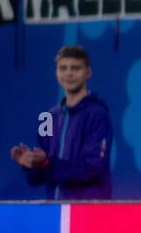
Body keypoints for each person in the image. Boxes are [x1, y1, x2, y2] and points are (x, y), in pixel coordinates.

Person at [10, 46, 113, 201]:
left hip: (89, 211)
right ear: (56, 73)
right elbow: (38, 177)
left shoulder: (97, 114)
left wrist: (46, 163)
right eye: (63, 68)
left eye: (75, 68)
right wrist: (30, 164)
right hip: (56, 212)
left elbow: (90, 168)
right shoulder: (47, 117)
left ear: (88, 73)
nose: (69, 73)